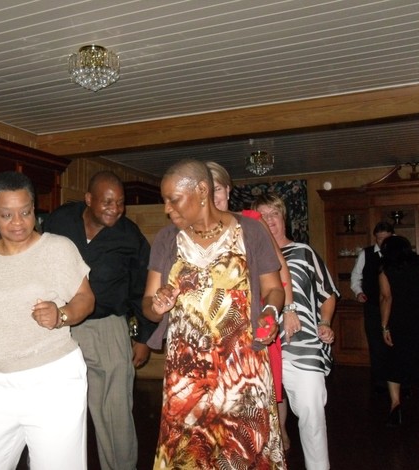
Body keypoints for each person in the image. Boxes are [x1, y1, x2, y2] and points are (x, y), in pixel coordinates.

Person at [143, 159, 286, 469]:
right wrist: (157, 305)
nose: (167, 209)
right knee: (189, 455)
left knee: (244, 451)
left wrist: (270, 313)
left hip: (243, 370)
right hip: (187, 374)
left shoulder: (250, 231)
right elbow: (148, 304)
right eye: (165, 200)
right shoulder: (167, 239)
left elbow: (274, 289)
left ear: (202, 190)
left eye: (174, 199)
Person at [0, 171, 95, 470]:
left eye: (26, 212)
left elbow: (86, 298)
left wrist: (61, 315)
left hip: (52, 380)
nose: (17, 222)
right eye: (6, 215)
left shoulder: (57, 248)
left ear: (34, 209)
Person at [45, 170, 156, 470]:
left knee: (115, 408)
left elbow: (142, 287)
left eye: (120, 202)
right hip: (61, 326)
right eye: (107, 202)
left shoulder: (129, 236)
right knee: (55, 405)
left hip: (107, 326)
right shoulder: (60, 221)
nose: (115, 209)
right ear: (88, 199)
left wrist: (143, 338)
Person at [207, 160, 297, 450]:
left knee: (268, 388)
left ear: (228, 190)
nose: (212, 197)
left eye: (217, 189)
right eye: (206, 190)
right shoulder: (195, 229)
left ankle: (274, 438)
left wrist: (289, 309)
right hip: (215, 325)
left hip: (257, 317)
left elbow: (279, 265)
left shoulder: (251, 220)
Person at [252, 193, 338, 470]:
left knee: (312, 414)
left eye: (274, 214)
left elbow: (328, 294)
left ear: (284, 217)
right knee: (261, 418)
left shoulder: (303, 252)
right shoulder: (250, 258)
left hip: (303, 344)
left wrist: (325, 322)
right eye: (262, 215)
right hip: (264, 347)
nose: (269, 220)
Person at [379, 235, 419, 428]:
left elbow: (386, 298)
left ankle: (395, 407)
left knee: (394, 365)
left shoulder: (386, 269)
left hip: (399, 323)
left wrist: (384, 326)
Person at [351, 221, 395, 393]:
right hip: (373, 306)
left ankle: (399, 382)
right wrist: (359, 292)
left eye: (386, 238)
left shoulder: (398, 253)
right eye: (379, 239)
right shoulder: (366, 254)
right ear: (375, 238)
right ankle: (380, 383)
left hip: (395, 307)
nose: (382, 242)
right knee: (376, 344)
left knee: (396, 344)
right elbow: (356, 277)